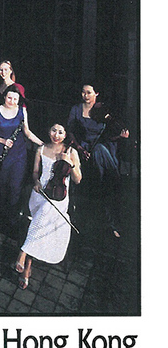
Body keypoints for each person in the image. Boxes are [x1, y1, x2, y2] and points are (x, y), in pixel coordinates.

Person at [14, 124, 82, 289]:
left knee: (45, 211)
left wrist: (70, 164)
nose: (56, 135)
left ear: (65, 134)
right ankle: (27, 259)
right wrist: (36, 182)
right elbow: (35, 172)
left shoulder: (71, 152)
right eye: (53, 130)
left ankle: (25, 256)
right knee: (43, 211)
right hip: (40, 193)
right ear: (48, 131)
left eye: (60, 132)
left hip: (59, 196)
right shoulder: (41, 149)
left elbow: (78, 179)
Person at [67, 82, 129, 237]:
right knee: (99, 173)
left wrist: (120, 136)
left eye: (89, 92)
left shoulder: (104, 110)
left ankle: (110, 221)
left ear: (97, 94)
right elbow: (71, 131)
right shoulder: (76, 109)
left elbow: (110, 136)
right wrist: (80, 148)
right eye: (83, 92)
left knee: (100, 152)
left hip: (105, 147)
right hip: (84, 148)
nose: (85, 95)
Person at [0, 84, 43, 233]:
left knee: (16, 186)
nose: (12, 101)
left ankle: (12, 219)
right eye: (9, 98)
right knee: (0, 186)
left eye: (15, 99)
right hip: (1, 153)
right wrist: (2, 140)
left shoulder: (22, 111)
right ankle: (1, 217)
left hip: (19, 155)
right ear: (4, 97)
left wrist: (43, 144)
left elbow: (27, 132)